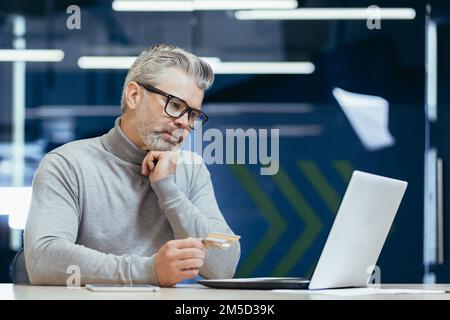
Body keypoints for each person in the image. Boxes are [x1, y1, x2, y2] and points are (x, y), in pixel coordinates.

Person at [24, 44, 240, 287]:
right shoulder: (67, 165)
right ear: (134, 95)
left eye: (192, 115)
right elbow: (43, 259)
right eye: (175, 105)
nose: (184, 123)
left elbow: (224, 265)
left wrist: (168, 190)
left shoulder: (191, 170)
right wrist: (149, 270)